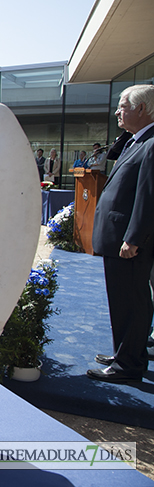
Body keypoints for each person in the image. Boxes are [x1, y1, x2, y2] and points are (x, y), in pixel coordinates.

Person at [88, 84, 154, 384]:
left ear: (143, 109)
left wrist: (134, 238)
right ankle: (127, 354)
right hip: (122, 239)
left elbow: (148, 197)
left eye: (123, 105)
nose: (117, 111)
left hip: (129, 242)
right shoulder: (136, 141)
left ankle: (128, 366)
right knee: (124, 301)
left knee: (132, 303)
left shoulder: (151, 143)